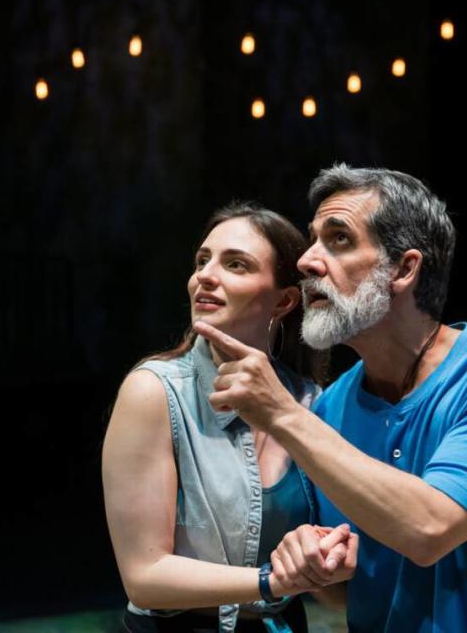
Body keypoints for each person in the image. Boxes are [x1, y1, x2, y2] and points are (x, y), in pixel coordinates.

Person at [193, 165, 467, 632]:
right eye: (313, 238)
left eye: (338, 239)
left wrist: (281, 413)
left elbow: (428, 530)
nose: (307, 261)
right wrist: (310, 556)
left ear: (404, 269)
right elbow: (338, 589)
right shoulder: (329, 409)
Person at [102, 201, 359, 633]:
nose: (205, 275)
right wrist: (270, 582)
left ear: (284, 300)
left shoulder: (314, 404)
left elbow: (330, 589)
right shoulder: (154, 392)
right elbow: (144, 577)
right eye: (202, 260)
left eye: (235, 264)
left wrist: (330, 559)